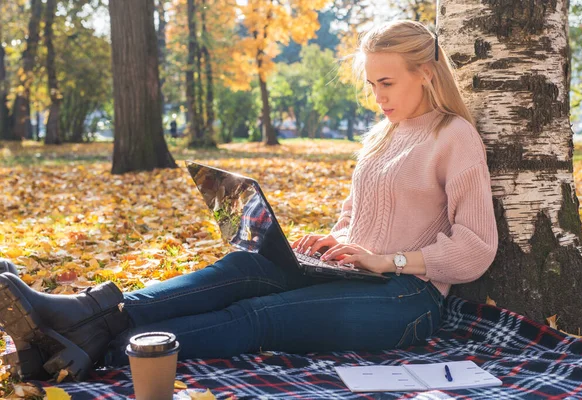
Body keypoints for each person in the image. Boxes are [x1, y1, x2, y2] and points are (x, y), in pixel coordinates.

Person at [0, 19, 498, 382]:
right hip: (353, 272)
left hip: (407, 299)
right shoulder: (381, 136)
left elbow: (476, 249)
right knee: (244, 267)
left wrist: (388, 259)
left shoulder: (454, 137)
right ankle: (82, 315)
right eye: (371, 84)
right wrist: (336, 242)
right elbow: (357, 218)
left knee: (261, 314)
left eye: (386, 83)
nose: (377, 97)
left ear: (427, 74)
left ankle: (98, 345)